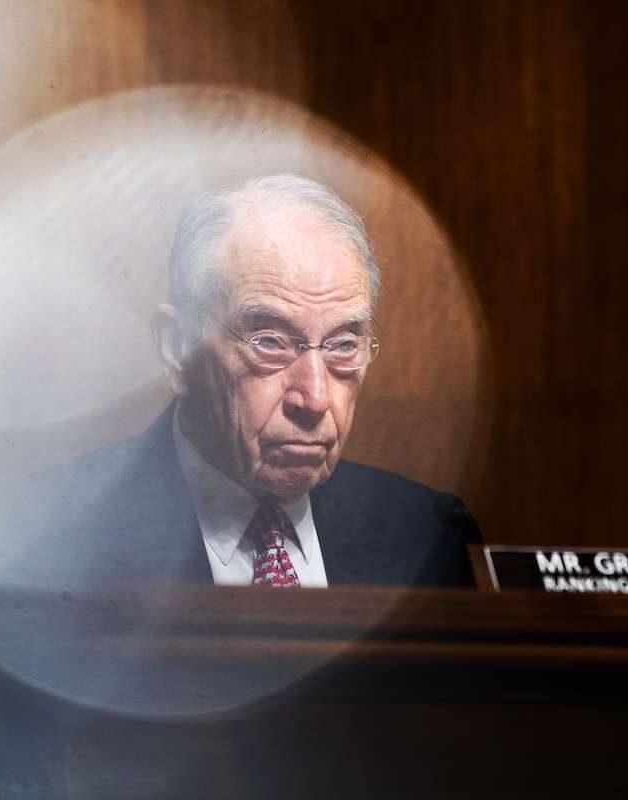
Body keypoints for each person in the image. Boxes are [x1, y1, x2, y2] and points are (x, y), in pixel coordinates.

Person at [29, 174, 475, 588]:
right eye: (271, 342)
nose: (316, 399)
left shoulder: (429, 535)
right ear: (177, 350)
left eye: (342, 345)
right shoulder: (46, 537)